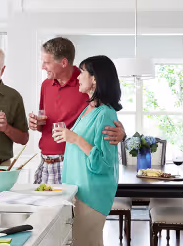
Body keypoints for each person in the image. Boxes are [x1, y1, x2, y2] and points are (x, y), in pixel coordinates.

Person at [53, 55, 122, 246]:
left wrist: (73, 138)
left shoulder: (105, 114)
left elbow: (103, 162)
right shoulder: (90, 108)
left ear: (94, 78)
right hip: (81, 191)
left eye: (81, 73)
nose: (78, 77)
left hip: (92, 194)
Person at [29, 37, 126, 184]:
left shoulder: (84, 86)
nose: (42, 66)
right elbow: (45, 122)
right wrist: (37, 123)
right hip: (45, 161)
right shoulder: (46, 85)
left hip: (70, 162)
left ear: (63, 62)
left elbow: (104, 116)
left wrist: (122, 134)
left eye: (47, 62)